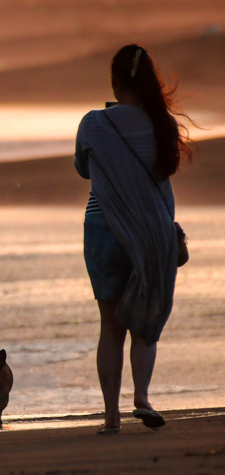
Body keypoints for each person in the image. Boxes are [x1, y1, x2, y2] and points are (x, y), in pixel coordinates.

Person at [74, 44, 191, 435]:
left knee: (110, 327)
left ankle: (110, 417)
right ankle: (142, 397)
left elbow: (82, 170)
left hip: (103, 229)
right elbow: (163, 181)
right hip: (149, 234)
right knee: (144, 325)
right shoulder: (165, 126)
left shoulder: (94, 123)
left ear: (115, 82)